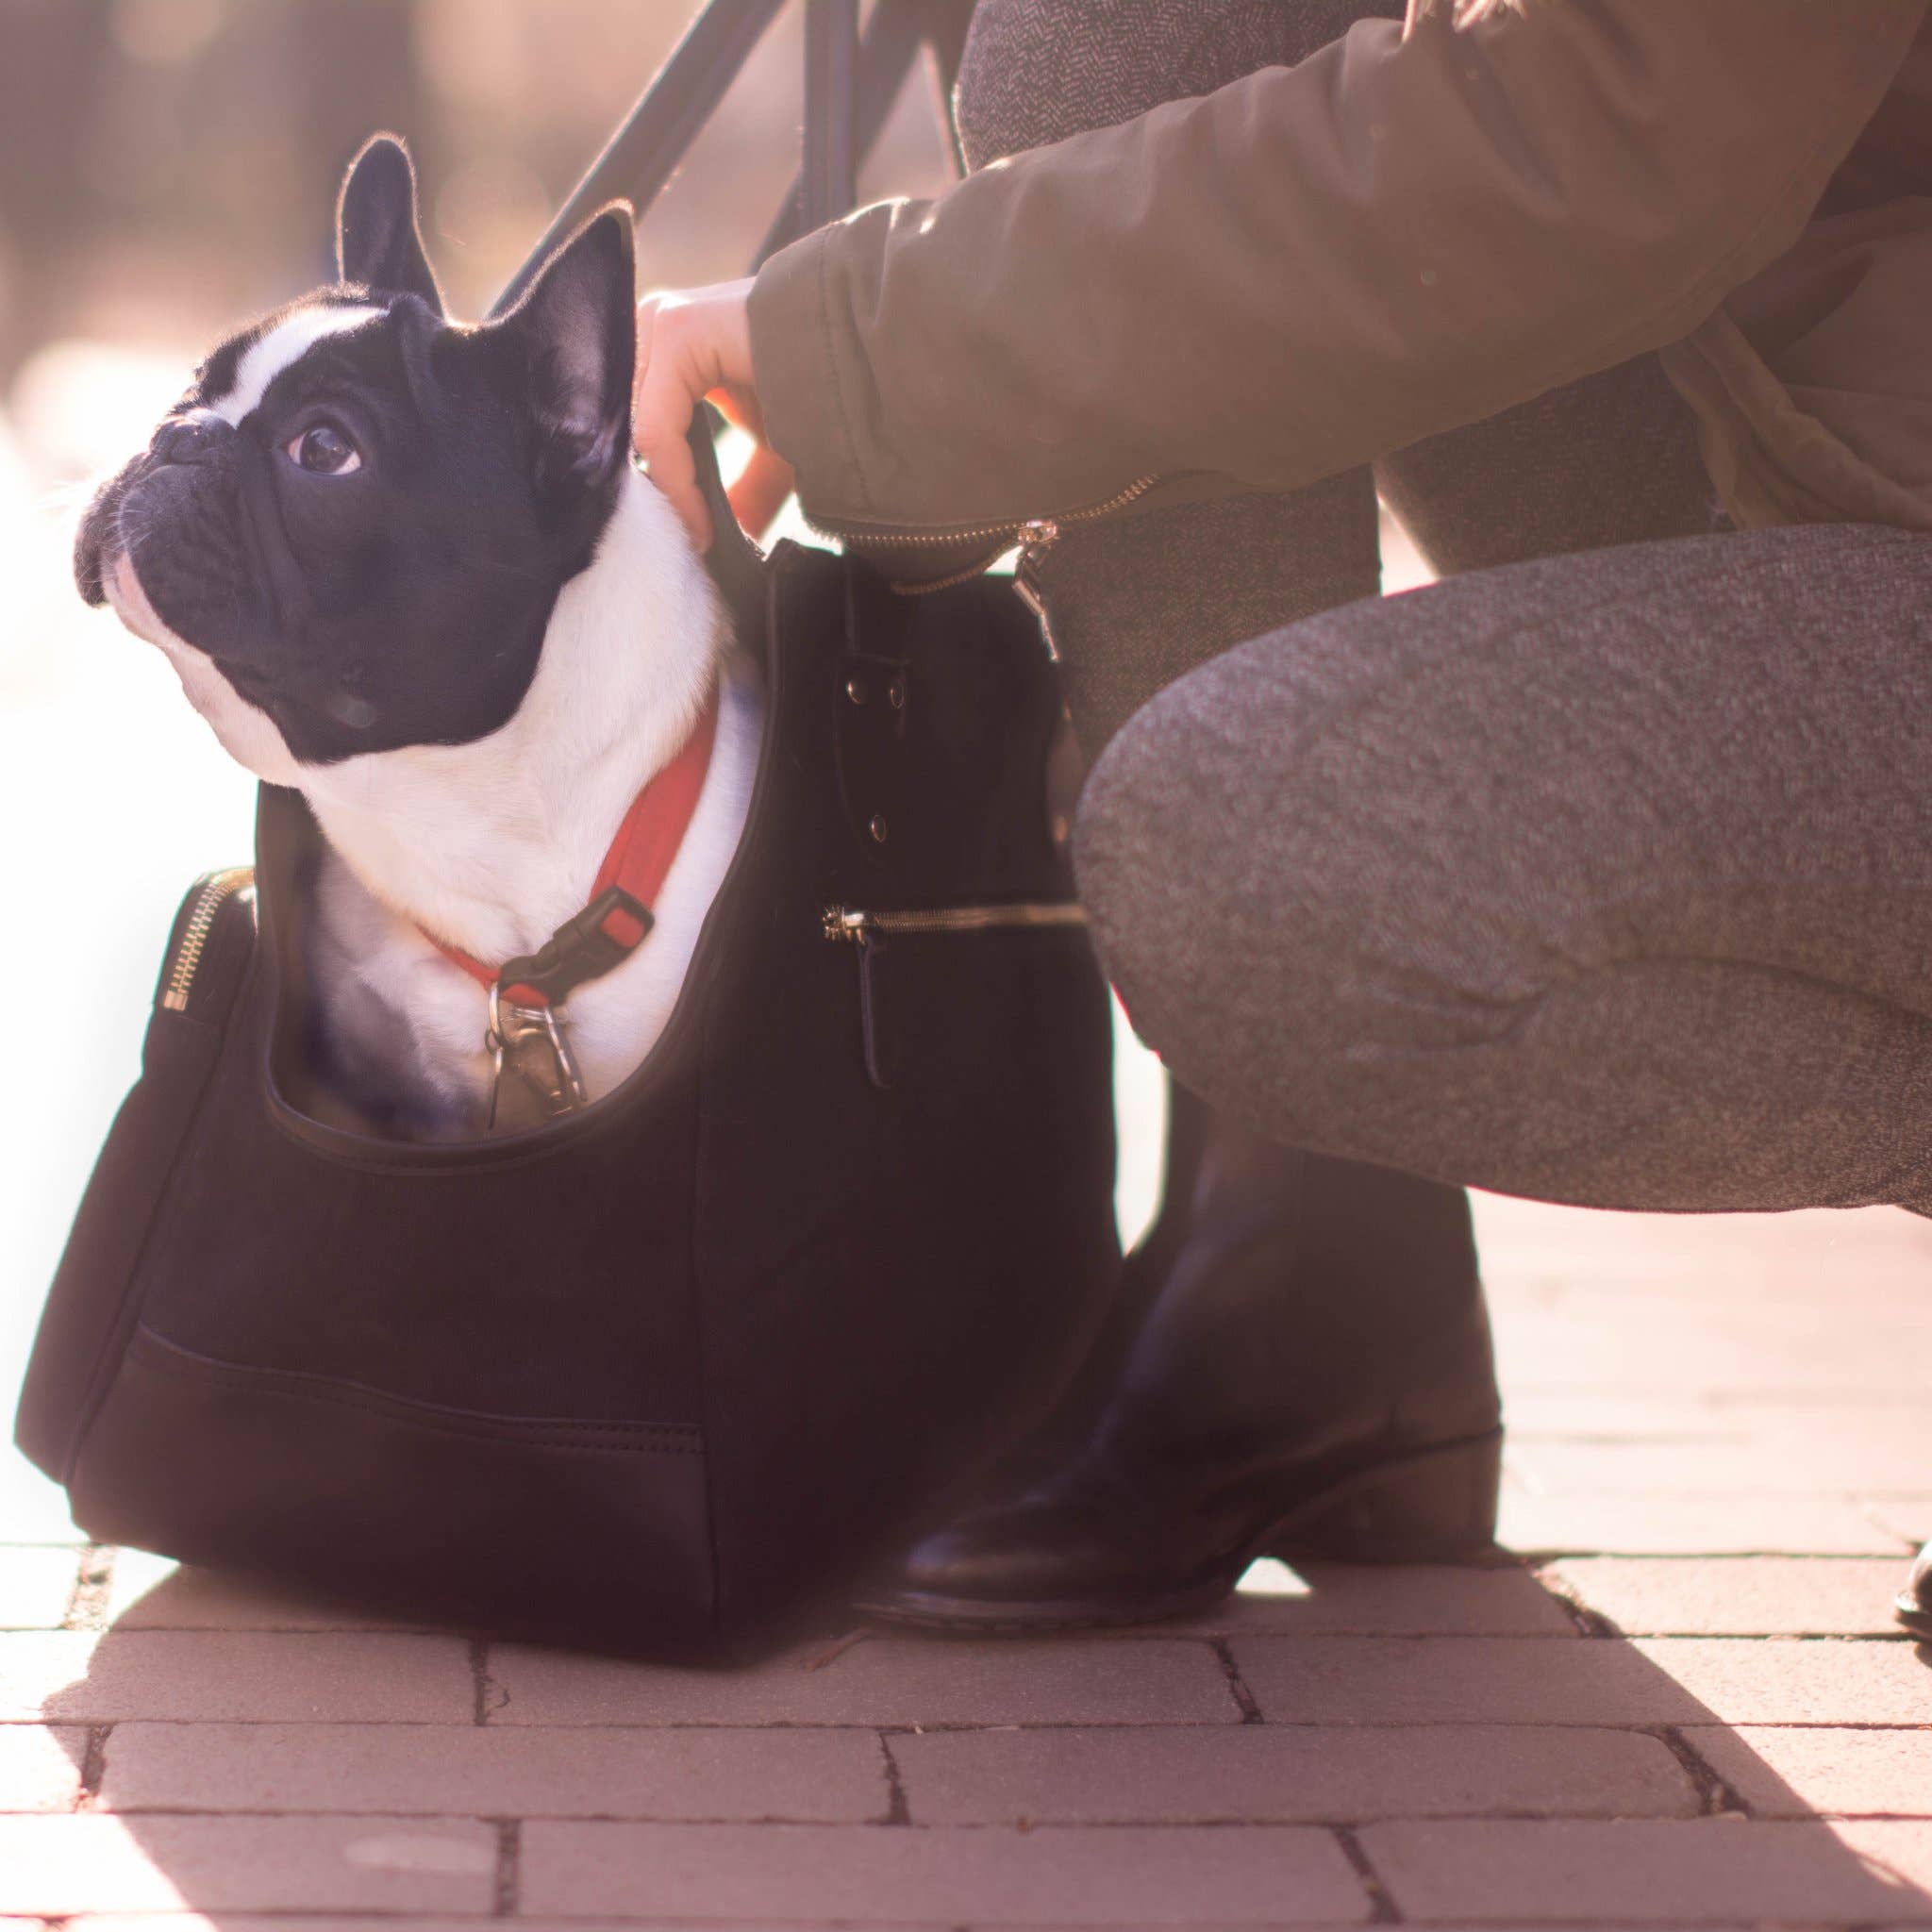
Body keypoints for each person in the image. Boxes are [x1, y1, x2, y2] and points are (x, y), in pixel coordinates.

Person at [631, 0, 1932, 1632]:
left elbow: (1611, 124)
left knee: (1244, 859)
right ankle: (1317, 1284)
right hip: (1823, 395)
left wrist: (856, 349)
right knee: (1127, 30)